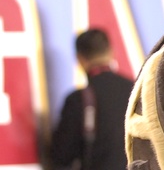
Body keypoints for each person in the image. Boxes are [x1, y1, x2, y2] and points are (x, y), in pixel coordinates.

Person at [50, 28, 134, 170]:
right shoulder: (135, 90)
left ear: (80, 59)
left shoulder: (77, 100)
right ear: (111, 52)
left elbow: (62, 155)